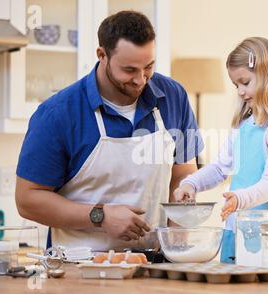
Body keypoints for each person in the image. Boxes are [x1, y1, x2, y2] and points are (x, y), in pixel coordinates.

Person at [15, 11, 204, 252]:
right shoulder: (58, 114)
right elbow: (28, 200)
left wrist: (176, 243)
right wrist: (100, 217)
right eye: (129, 70)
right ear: (102, 55)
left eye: (148, 67)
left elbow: (183, 174)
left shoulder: (173, 96)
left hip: (153, 264)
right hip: (79, 270)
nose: (140, 80)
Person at [174, 37, 268, 263]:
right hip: (236, 228)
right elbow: (219, 168)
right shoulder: (244, 125)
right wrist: (191, 183)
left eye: (245, 82)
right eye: (236, 85)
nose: (240, 91)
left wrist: (239, 199)